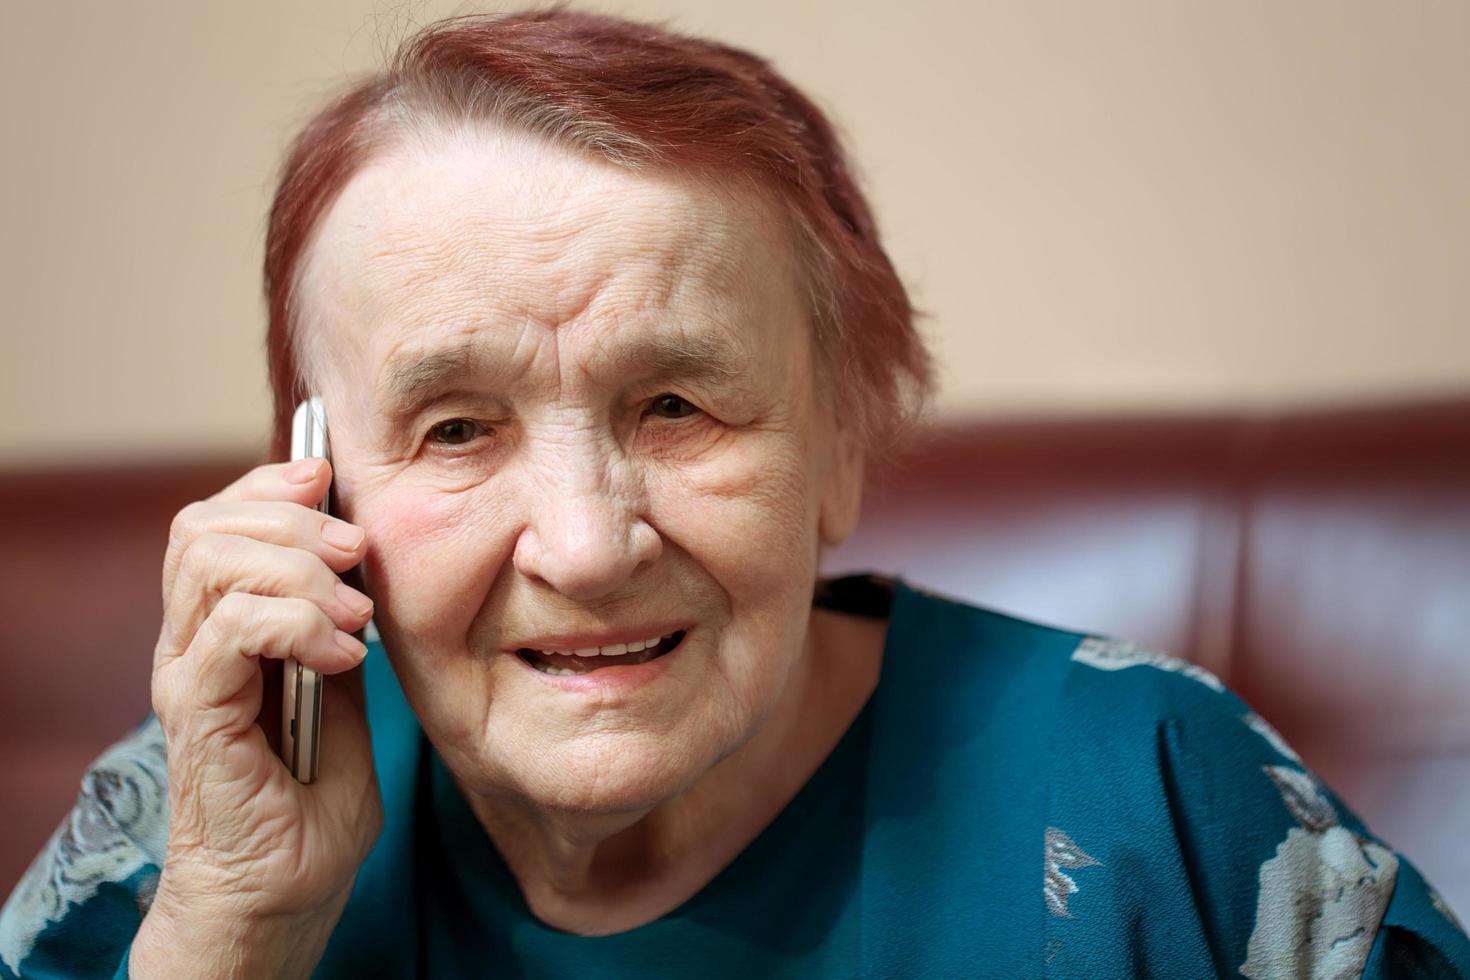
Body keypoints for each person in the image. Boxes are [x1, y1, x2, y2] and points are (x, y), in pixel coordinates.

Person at [2, 8, 1467, 978]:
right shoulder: (206, 818)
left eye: (678, 406)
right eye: (454, 430)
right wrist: (228, 935)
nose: (582, 546)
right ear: (315, 480)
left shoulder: (1155, 790)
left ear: (839, 443)